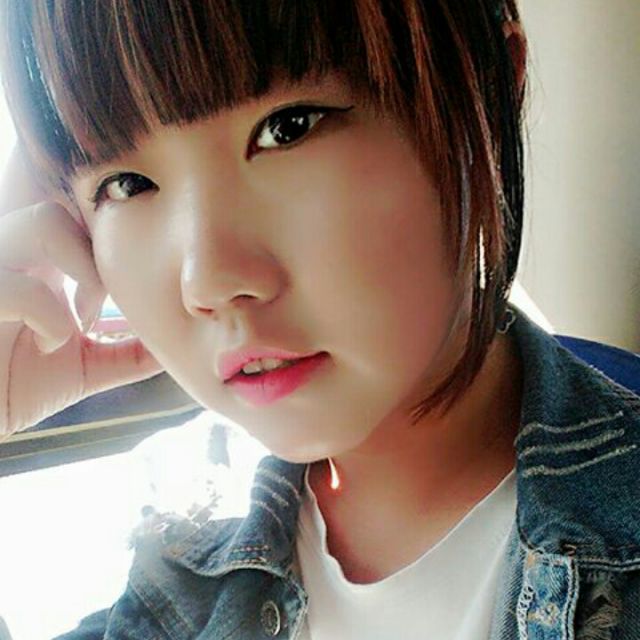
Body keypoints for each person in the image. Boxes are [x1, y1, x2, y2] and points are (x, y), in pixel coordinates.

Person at [0, 1, 638, 638]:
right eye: (127, 184)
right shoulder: (185, 524)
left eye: (288, 128)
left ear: (490, 86)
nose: (209, 283)